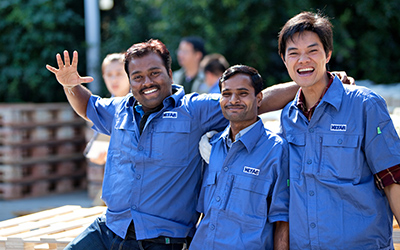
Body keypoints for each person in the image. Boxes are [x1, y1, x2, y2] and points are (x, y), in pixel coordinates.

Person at [45, 39, 298, 250]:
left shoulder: (193, 111)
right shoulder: (120, 109)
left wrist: (313, 83)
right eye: (138, 77)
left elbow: (254, 101)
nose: (147, 82)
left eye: (154, 73)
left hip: (160, 239)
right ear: (130, 81)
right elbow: (88, 106)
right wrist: (71, 85)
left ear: (169, 72)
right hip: (110, 227)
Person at [277, 11, 400, 249]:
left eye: (313, 50)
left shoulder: (364, 105)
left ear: (328, 54)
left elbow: (392, 179)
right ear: (284, 59)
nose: (303, 60)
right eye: (294, 53)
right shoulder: (288, 117)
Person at [190, 65, 289, 250]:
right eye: (226, 94)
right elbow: (206, 210)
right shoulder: (214, 145)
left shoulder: (276, 150)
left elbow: (282, 219)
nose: (233, 100)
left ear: (259, 98)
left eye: (242, 93)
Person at [84, 53, 131, 205]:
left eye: (119, 74)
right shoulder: (105, 107)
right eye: (109, 75)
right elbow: (95, 154)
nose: (114, 79)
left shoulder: (143, 104)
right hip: (115, 184)